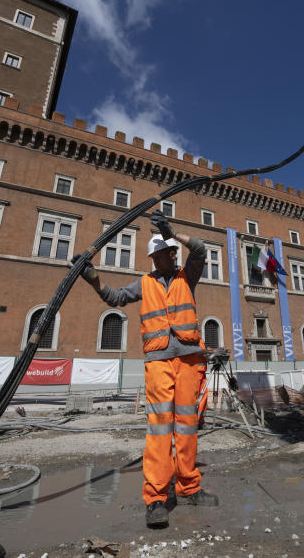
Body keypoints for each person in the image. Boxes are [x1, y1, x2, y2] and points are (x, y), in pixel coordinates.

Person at [74, 210, 219, 528]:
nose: (154, 260)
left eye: (159, 254)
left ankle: (188, 487)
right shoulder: (145, 283)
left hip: (189, 362)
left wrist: (173, 232)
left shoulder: (187, 277)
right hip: (159, 364)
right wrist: (93, 279)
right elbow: (116, 298)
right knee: (159, 429)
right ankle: (156, 499)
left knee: (187, 428)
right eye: (152, 256)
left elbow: (201, 250)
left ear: (170, 254)